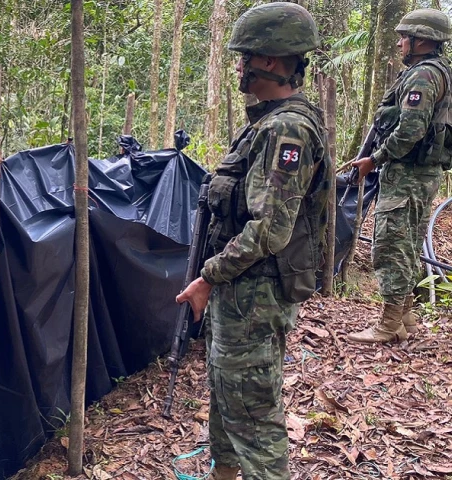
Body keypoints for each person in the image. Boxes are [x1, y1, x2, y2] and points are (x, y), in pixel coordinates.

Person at [175, 3, 331, 479]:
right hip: (242, 288)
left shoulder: (287, 128)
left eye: (246, 57)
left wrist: (209, 276)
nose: (239, 67)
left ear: (272, 62)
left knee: (255, 416)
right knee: (227, 394)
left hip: (255, 292)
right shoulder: (266, 121)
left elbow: (271, 229)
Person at [348, 9, 452, 344]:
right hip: (422, 175)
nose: (399, 43)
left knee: (390, 246)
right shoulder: (440, 72)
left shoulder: (423, 76)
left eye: (404, 37)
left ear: (421, 40)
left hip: (408, 175)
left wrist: (373, 159)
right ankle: (406, 317)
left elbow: (410, 129)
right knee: (406, 246)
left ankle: (388, 325)